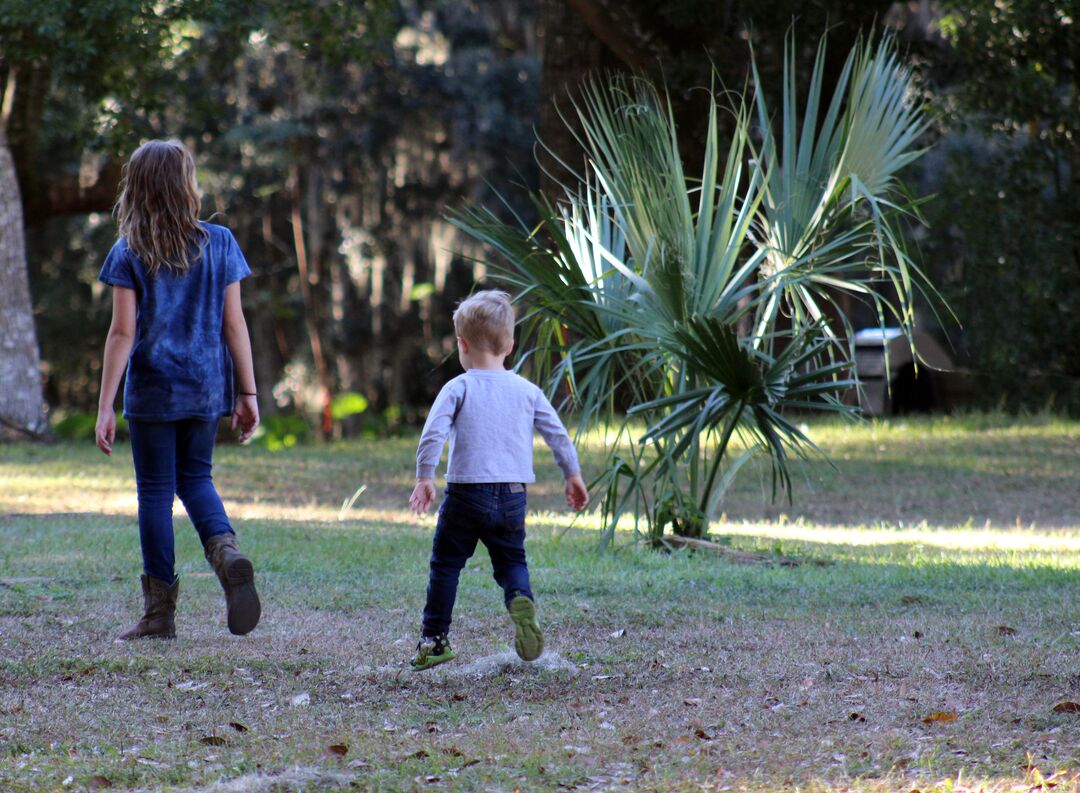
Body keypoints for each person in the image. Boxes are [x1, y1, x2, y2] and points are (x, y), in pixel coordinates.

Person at [95, 139, 261, 641]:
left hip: (153, 391)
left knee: (154, 494)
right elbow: (235, 323)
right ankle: (226, 553)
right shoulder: (221, 242)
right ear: (187, 186)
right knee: (196, 479)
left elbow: (123, 333)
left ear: (137, 189)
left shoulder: (128, 250)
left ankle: (159, 613)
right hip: (206, 386)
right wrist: (248, 393)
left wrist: (105, 404)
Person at [408, 290, 589, 670]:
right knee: (511, 559)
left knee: (446, 565)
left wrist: (425, 476)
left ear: (462, 344)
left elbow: (433, 434)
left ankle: (435, 639)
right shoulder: (526, 390)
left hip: (465, 494)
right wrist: (571, 473)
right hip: (512, 494)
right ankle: (520, 596)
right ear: (509, 345)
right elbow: (557, 433)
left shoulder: (459, 387)